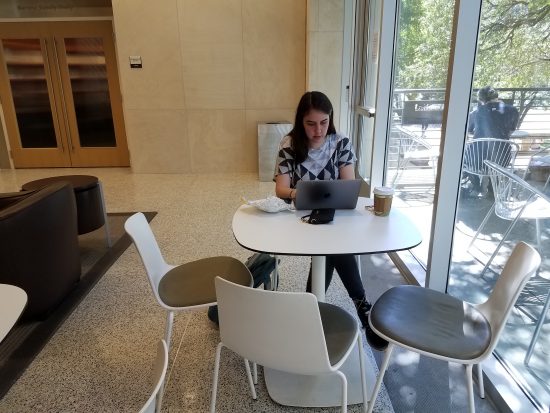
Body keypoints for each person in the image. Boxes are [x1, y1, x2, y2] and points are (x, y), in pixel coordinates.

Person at [274, 91, 387, 351]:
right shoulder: (289, 143)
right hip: (302, 219)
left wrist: (328, 194)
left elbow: (349, 184)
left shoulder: (341, 142)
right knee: (337, 250)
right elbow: (281, 189)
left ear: (330, 119)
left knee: (333, 248)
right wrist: (300, 193)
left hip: (335, 216)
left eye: (324, 122)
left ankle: (311, 308)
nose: (318, 130)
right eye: (311, 123)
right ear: (301, 121)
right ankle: (361, 307)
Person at [464, 86, 520, 195]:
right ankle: (492, 189)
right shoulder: (513, 110)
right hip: (501, 160)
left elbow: (468, 130)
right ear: (496, 96)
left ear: (481, 100)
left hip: (476, 161)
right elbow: (511, 129)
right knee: (498, 160)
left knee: (465, 160)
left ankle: (476, 187)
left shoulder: (476, 113)